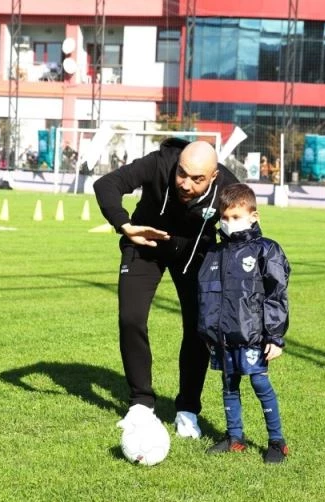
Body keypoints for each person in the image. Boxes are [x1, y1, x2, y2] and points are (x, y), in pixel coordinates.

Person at [93, 138, 239, 438]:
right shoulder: (160, 163)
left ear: (213, 176)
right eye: (182, 174)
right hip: (145, 243)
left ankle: (187, 411)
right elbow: (106, 184)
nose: (186, 183)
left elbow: (246, 227)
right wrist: (124, 225)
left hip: (194, 254)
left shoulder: (228, 186)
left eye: (197, 179)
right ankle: (141, 405)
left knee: (198, 328)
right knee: (131, 318)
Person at [197, 183, 291, 464]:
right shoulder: (215, 253)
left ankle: (277, 442)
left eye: (236, 217)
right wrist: (207, 330)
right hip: (222, 337)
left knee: (260, 384)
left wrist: (274, 336)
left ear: (254, 216)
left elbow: (276, 294)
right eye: (224, 218)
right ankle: (234, 438)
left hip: (253, 336)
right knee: (228, 384)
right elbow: (206, 295)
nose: (229, 224)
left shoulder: (266, 250)